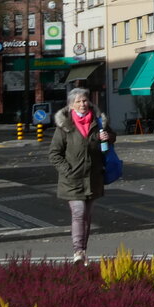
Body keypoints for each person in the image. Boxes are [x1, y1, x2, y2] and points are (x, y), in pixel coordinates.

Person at [49, 87, 115, 264]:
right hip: (72, 180)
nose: (82, 104)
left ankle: (83, 251)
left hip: (93, 178)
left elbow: (112, 138)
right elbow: (54, 154)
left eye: (84, 100)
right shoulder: (65, 126)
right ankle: (78, 251)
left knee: (87, 215)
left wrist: (107, 137)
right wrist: (68, 171)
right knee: (78, 213)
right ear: (71, 105)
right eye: (78, 101)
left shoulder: (99, 122)